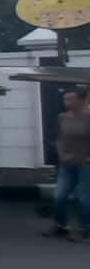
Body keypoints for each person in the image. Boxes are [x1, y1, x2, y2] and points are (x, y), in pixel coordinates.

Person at [45, 86, 89, 241]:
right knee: (59, 195)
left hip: (86, 163)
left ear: (82, 100)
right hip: (67, 162)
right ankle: (61, 225)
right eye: (65, 99)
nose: (66, 102)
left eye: (70, 99)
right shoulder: (62, 117)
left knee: (85, 198)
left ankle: (85, 229)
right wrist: (61, 153)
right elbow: (59, 138)